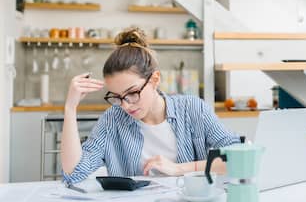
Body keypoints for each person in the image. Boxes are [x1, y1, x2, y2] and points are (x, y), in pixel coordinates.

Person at [61, 27, 240, 184]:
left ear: (155, 79)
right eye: (117, 97)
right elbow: (74, 173)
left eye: (132, 93)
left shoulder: (192, 109)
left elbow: (239, 157)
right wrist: (70, 109)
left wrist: (179, 169)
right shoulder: (113, 119)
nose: (126, 105)